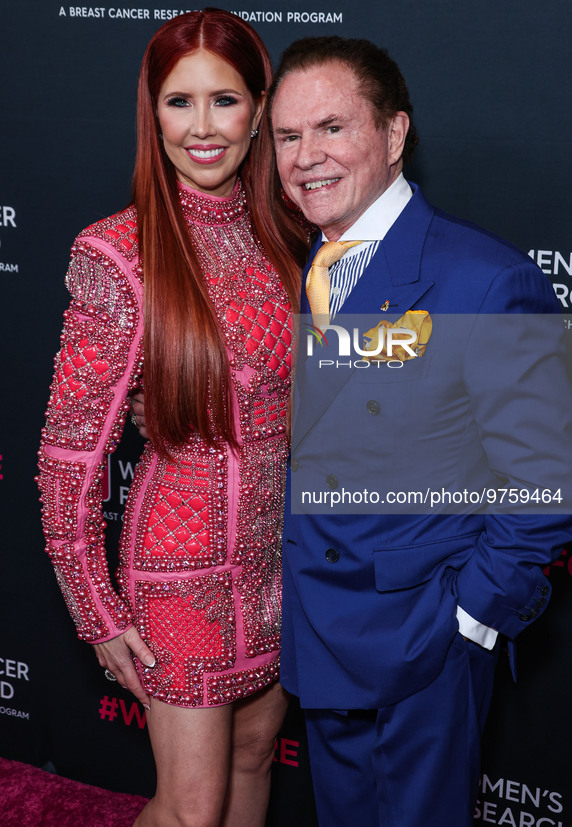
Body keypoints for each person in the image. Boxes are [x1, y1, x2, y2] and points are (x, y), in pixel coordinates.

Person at [266, 36, 572, 827]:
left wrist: (467, 616)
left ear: (394, 133)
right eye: (285, 136)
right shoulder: (307, 261)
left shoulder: (482, 278)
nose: (305, 155)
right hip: (318, 622)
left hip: (417, 637)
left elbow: (553, 477)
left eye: (331, 128)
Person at [36, 10, 309, 827]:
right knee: (190, 811)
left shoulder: (288, 237)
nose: (201, 127)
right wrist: (98, 612)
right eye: (177, 102)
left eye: (222, 101)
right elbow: (69, 459)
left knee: (256, 757)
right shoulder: (117, 255)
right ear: (151, 114)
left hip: (277, 566)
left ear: (259, 110)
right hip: (178, 573)